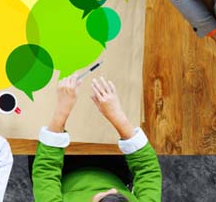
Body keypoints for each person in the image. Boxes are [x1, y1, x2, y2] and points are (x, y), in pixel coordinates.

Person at [32, 74, 162, 201]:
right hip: (114, 169)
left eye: (102, 194)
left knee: (37, 129)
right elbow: (148, 169)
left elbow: (46, 172)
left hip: (62, 172)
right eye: (117, 193)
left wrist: (62, 110)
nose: (112, 189)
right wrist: (117, 115)